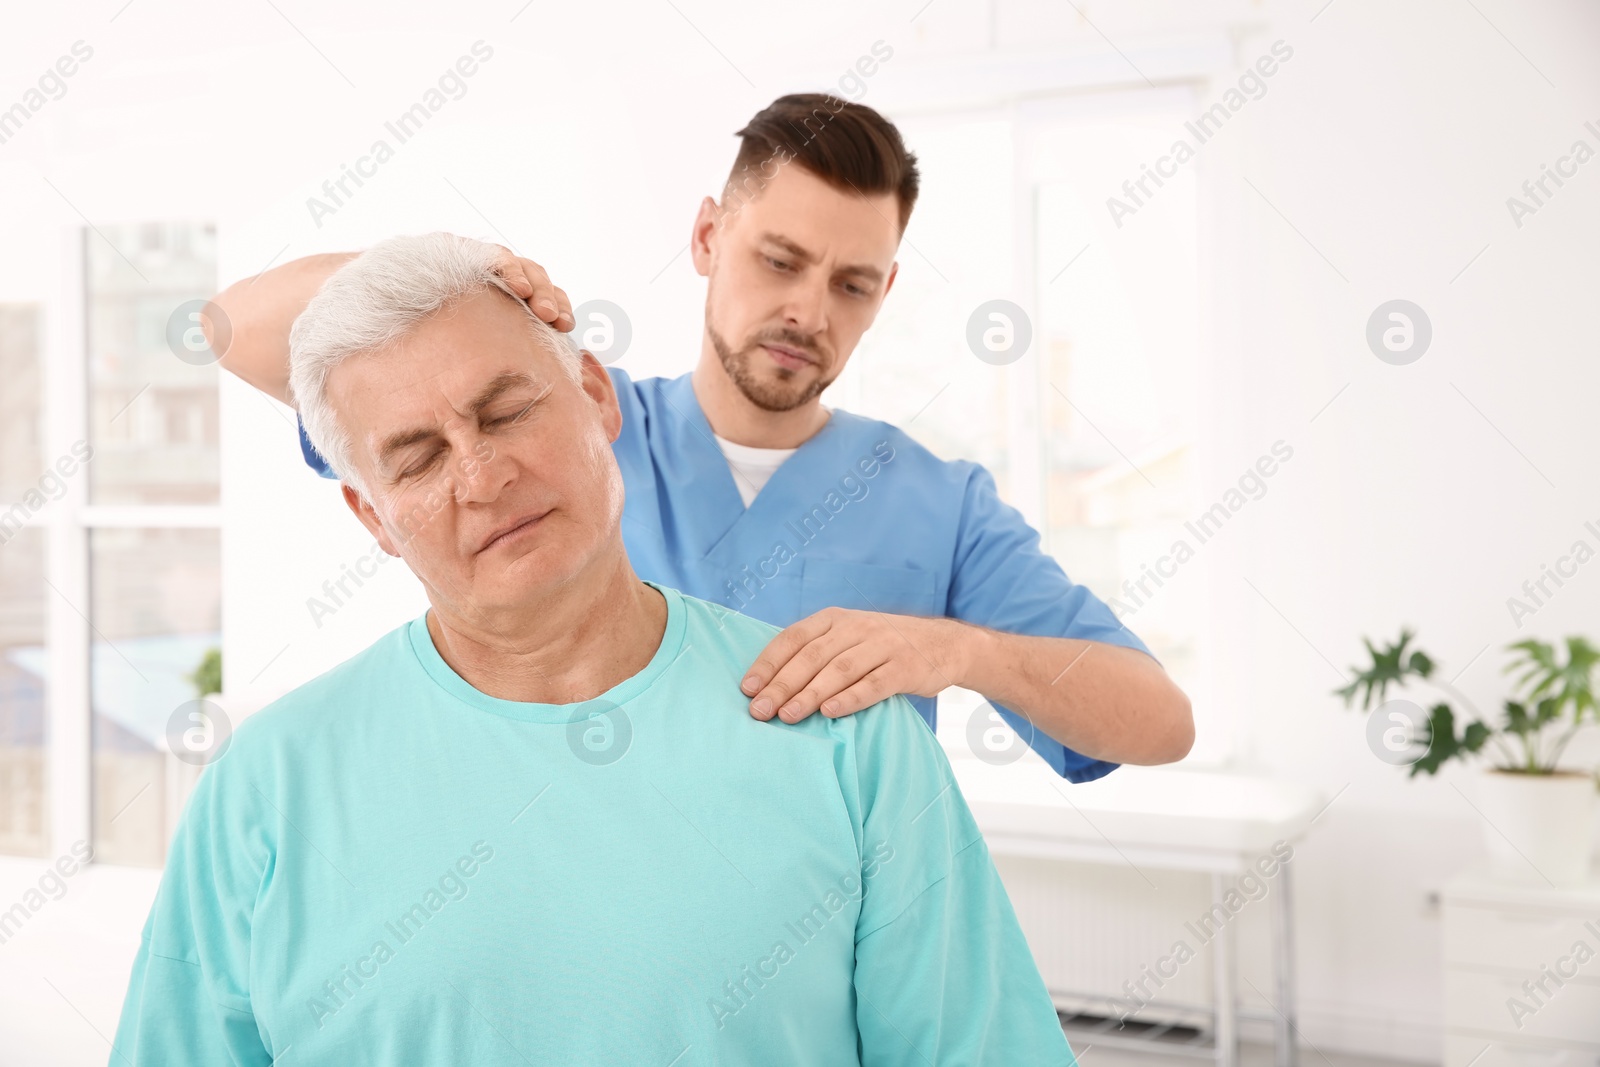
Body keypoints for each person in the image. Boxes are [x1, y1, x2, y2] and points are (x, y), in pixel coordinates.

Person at [111, 233, 1075, 1065]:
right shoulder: (268, 790)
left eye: (507, 411)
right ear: (373, 515)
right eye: (419, 458)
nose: (483, 475)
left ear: (597, 400)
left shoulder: (844, 736)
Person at [209, 93, 1192, 782]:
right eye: (779, 260)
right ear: (708, 237)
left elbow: (1157, 719)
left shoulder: (938, 504)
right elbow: (237, 332)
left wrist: (958, 652)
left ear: (886, 292)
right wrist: (471, 271)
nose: (808, 310)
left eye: (851, 283)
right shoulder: (566, 431)